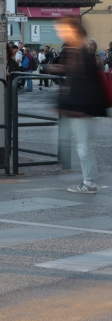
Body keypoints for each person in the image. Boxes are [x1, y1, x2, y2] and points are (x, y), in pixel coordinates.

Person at [46, 18, 108, 194]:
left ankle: (89, 182)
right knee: (68, 139)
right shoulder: (74, 51)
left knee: (83, 146)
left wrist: (75, 108)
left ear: (72, 31)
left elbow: (83, 83)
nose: (59, 33)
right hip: (78, 107)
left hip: (82, 108)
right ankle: (89, 175)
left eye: (62, 29)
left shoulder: (81, 52)